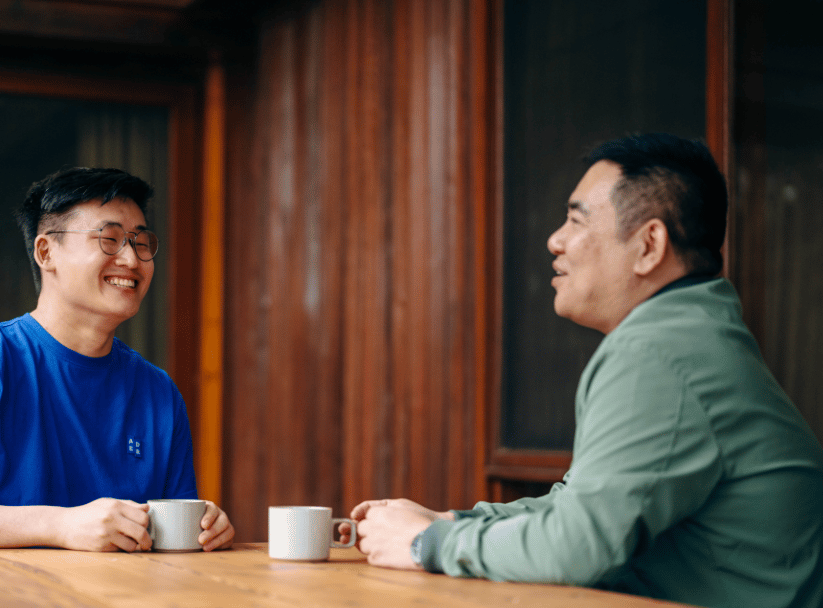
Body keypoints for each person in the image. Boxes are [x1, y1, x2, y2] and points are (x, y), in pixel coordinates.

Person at [346, 134, 823, 607]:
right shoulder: (691, 336)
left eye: (576, 219)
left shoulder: (659, 354)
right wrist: (452, 522)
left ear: (649, 245)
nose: (555, 240)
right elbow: (578, 507)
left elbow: (577, 548)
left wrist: (425, 545)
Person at [0, 167, 234, 552]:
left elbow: (171, 544)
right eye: (110, 239)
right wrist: (59, 525)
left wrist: (206, 529)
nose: (131, 259)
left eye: (141, 242)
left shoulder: (158, 392)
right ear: (46, 252)